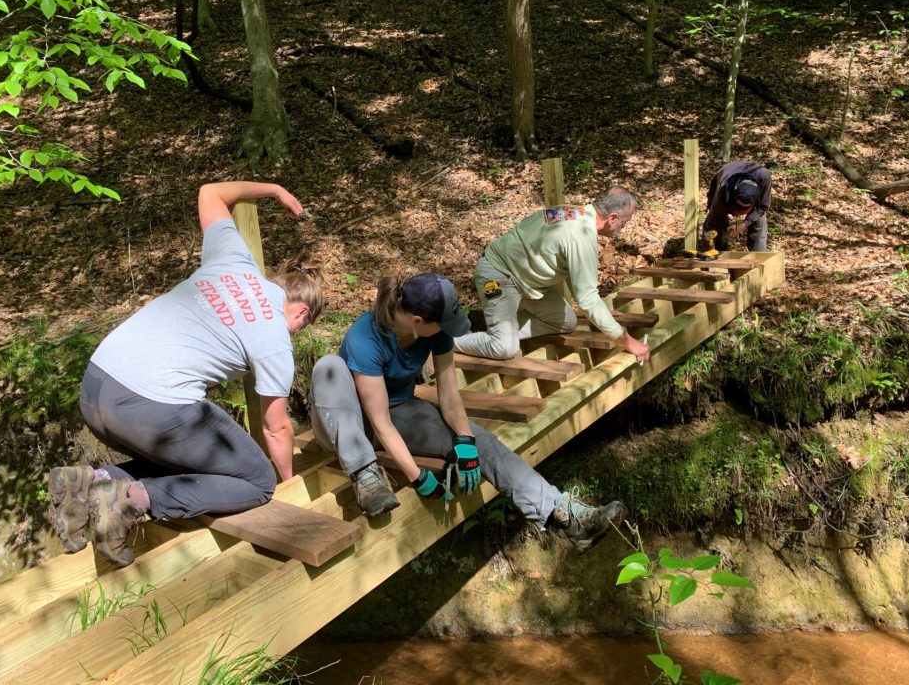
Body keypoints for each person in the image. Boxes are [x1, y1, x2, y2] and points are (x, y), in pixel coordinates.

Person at [47, 181, 324, 567]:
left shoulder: (235, 261)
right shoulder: (275, 337)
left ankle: (90, 481)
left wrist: (274, 189)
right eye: (301, 329)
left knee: (198, 458)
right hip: (148, 405)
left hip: (96, 387)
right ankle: (129, 501)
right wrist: (288, 485)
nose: (295, 335)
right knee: (256, 482)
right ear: (301, 314)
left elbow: (210, 192)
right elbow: (276, 428)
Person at [310, 272, 628, 553]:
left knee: (481, 440)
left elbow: (449, 395)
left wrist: (464, 439)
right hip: (344, 423)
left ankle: (566, 515)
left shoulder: (435, 331)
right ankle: (365, 476)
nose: (449, 331)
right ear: (418, 322)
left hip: (398, 410)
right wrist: (416, 476)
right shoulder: (365, 338)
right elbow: (379, 423)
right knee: (329, 367)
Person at [453, 187, 651, 364]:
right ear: (613, 217)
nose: (623, 228)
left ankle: (498, 329)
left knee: (565, 322)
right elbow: (587, 299)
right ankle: (443, 344)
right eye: (625, 222)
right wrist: (627, 341)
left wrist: (602, 316)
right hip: (499, 274)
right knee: (504, 348)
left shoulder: (572, 212)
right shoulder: (581, 236)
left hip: (528, 282)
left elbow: (578, 279)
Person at [701, 161, 772, 251]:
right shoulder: (723, 189)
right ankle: (718, 254)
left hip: (751, 196)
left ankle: (758, 258)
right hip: (725, 179)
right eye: (737, 208)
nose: (738, 213)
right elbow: (714, 220)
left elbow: (762, 207)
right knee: (715, 226)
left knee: (759, 221)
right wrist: (722, 234)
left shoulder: (764, 177)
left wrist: (744, 224)